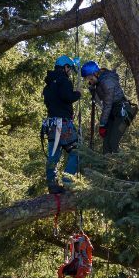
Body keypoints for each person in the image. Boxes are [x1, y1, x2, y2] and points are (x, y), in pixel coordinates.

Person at [41, 55, 81, 194]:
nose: (70, 72)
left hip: (51, 124)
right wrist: (77, 94)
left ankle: (52, 184)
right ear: (65, 67)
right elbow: (67, 97)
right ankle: (67, 182)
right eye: (69, 69)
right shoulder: (63, 81)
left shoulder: (49, 84)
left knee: (53, 155)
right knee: (77, 152)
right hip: (63, 124)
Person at [80, 61, 137, 154]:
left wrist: (102, 124)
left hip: (124, 113)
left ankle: (119, 166)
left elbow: (107, 104)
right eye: (87, 79)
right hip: (113, 112)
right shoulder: (98, 83)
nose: (89, 81)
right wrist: (92, 90)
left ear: (95, 73)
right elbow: (100, 104)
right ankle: (108, 167)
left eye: (89, 78)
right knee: (106, 144)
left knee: (113, 142)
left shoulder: (107, 81)